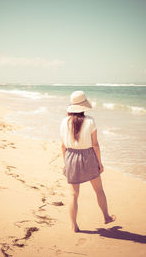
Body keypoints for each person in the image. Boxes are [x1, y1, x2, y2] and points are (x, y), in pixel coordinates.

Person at [60, 90, 116, 232]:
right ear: (84, 106)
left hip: (71, 157)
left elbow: (62, 145)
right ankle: (106, 217)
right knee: (99, 190)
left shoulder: (64, 122)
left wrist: (65, 163)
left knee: (73, 194)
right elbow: (95, 145)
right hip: (88, 157)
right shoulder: (90, 121)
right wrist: (100, 163)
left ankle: (74, 225)